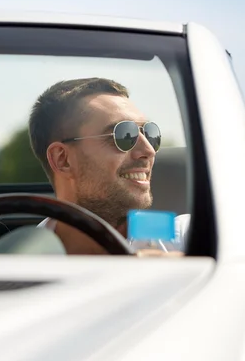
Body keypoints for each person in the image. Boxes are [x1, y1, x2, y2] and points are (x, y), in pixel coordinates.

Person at [28, 78, 189, 256]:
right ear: (63, 159)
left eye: (150, 133)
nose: (149, 150)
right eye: (124, 135)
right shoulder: (22, 263)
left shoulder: (183, 237)